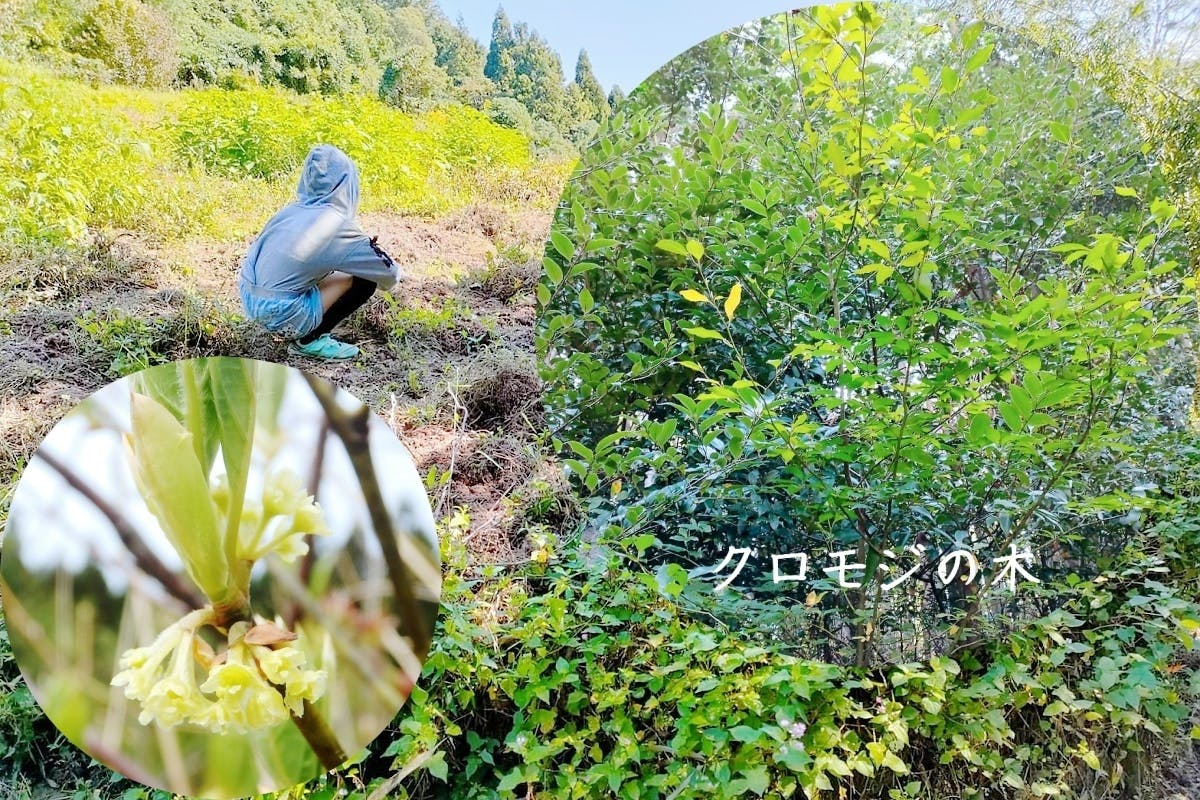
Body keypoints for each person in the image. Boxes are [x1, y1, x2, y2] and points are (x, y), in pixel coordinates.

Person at [239, 144, 400, 361]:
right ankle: (310, 340)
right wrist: (368, 251)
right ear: (346, 185)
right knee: (363, 280)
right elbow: (389, 277)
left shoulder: (289, 212)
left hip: (250, 301)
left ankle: (299, 323)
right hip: (282, 313)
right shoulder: (335, 225)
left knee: (319, 270)